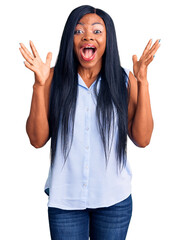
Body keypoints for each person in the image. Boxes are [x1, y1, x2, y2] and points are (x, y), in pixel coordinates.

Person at [19, 5, 160, 240]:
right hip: (65, 202)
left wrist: (143, 82)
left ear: (107, 40)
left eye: (97, 31)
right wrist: (39, 85)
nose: (87, 36)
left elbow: (143, 139)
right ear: (70, 40)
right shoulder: (52, 79)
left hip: (114, 201)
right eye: (78, 31)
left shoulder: (125, 80)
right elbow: (37, 140)